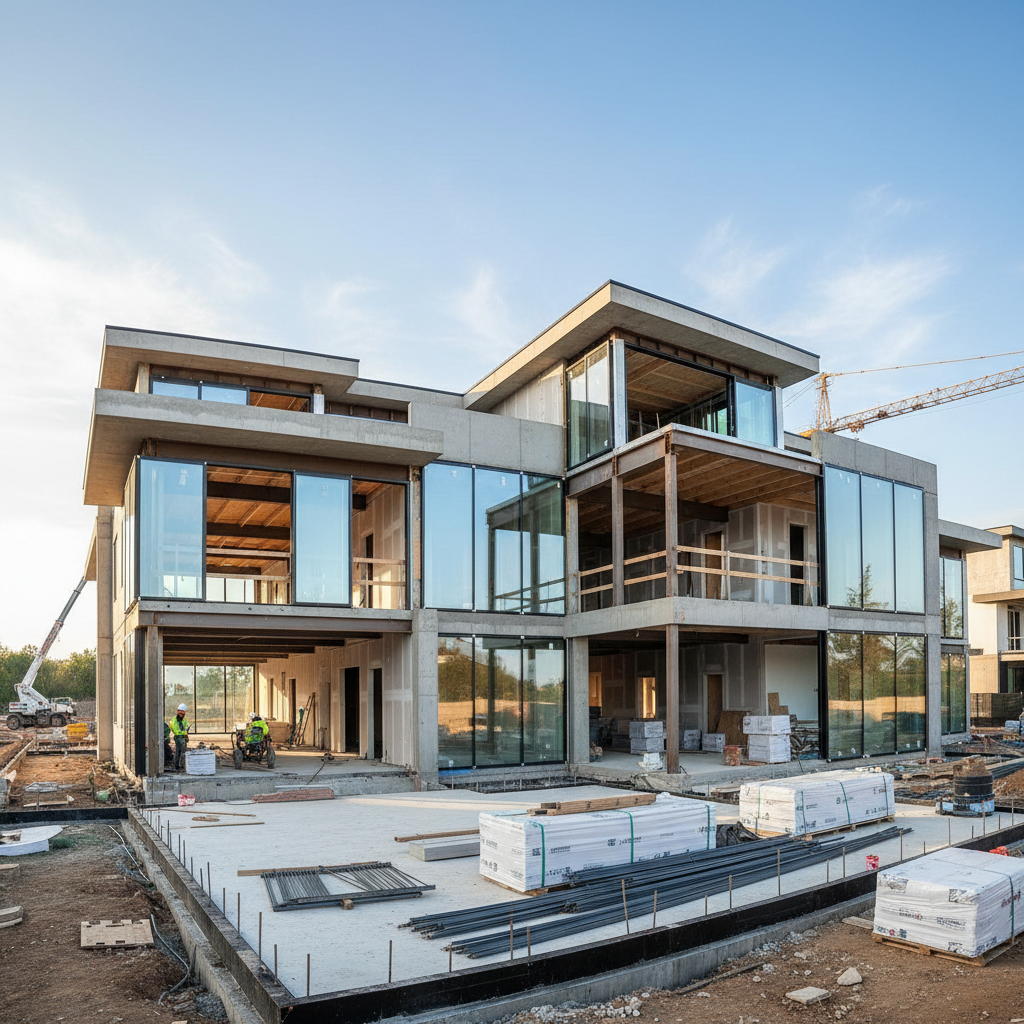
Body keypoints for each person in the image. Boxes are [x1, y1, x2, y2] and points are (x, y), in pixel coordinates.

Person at [168, 703, 189, 770]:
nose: (182, 714)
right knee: (180, 751)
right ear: (177, 711)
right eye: (180, 713)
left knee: (181, 751)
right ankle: (178, 765)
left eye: (183, 713)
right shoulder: (173, 721)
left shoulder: (184, 720)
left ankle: (180, 764)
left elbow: (185, 727)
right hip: (178, 737)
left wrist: (185, 735)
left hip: (183, 737)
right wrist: (184, 734)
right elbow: (176, 731)